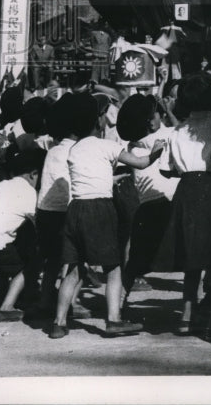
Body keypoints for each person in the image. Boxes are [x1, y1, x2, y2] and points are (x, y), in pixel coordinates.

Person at [50, 92, 165, 339]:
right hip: (100, 209)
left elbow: (91, 174)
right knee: (113, 268)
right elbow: (142, 163)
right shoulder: (108, 146)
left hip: (76, 208)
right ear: (98, 121)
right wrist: (156, 152)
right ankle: (113, 320)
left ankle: (58, 322)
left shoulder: (74, 149)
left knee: (73, 269)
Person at [156, 73, 211, 336]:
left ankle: (186, 315)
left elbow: (166, 170)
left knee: (191, 256)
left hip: (186, 190)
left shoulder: (178, 130)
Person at [117, 93, 178, 304]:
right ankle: (192, 307)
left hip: (146, 207)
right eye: (157, 114)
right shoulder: (165, 136)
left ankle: (119, 302)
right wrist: (170, 109)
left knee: (135, 262)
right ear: (152, 122)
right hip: (170, 204)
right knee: (194, 257)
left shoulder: (132, 148)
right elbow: (184, 132)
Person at [33, 94, 89, 320]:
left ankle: (45, 299)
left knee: (52, 261)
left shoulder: (53, 150)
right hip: (67, 211)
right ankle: (72, 303)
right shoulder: (77, 150)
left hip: (46, 211)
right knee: (76, 261)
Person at [0, 149, 46, 322]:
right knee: (31, 264)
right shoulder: (28, 192)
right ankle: (6, 308)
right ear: (33, 174)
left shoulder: (5, 184)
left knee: (5, 259)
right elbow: (37, 223)